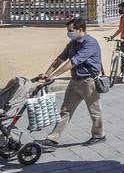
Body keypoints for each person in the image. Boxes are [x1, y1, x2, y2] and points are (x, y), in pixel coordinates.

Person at [37, 17, 106, 147]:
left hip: (89, 82)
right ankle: (53, 139)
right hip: (74, 81)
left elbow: (73, 62)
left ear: (80, 30)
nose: (69, 33)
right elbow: (61, 59)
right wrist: (47, 73)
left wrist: (55, 76)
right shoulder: (73, 43)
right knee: (65, 110)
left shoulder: (90, 43)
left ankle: (99, 135)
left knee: (95, 111)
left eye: (71, 30)